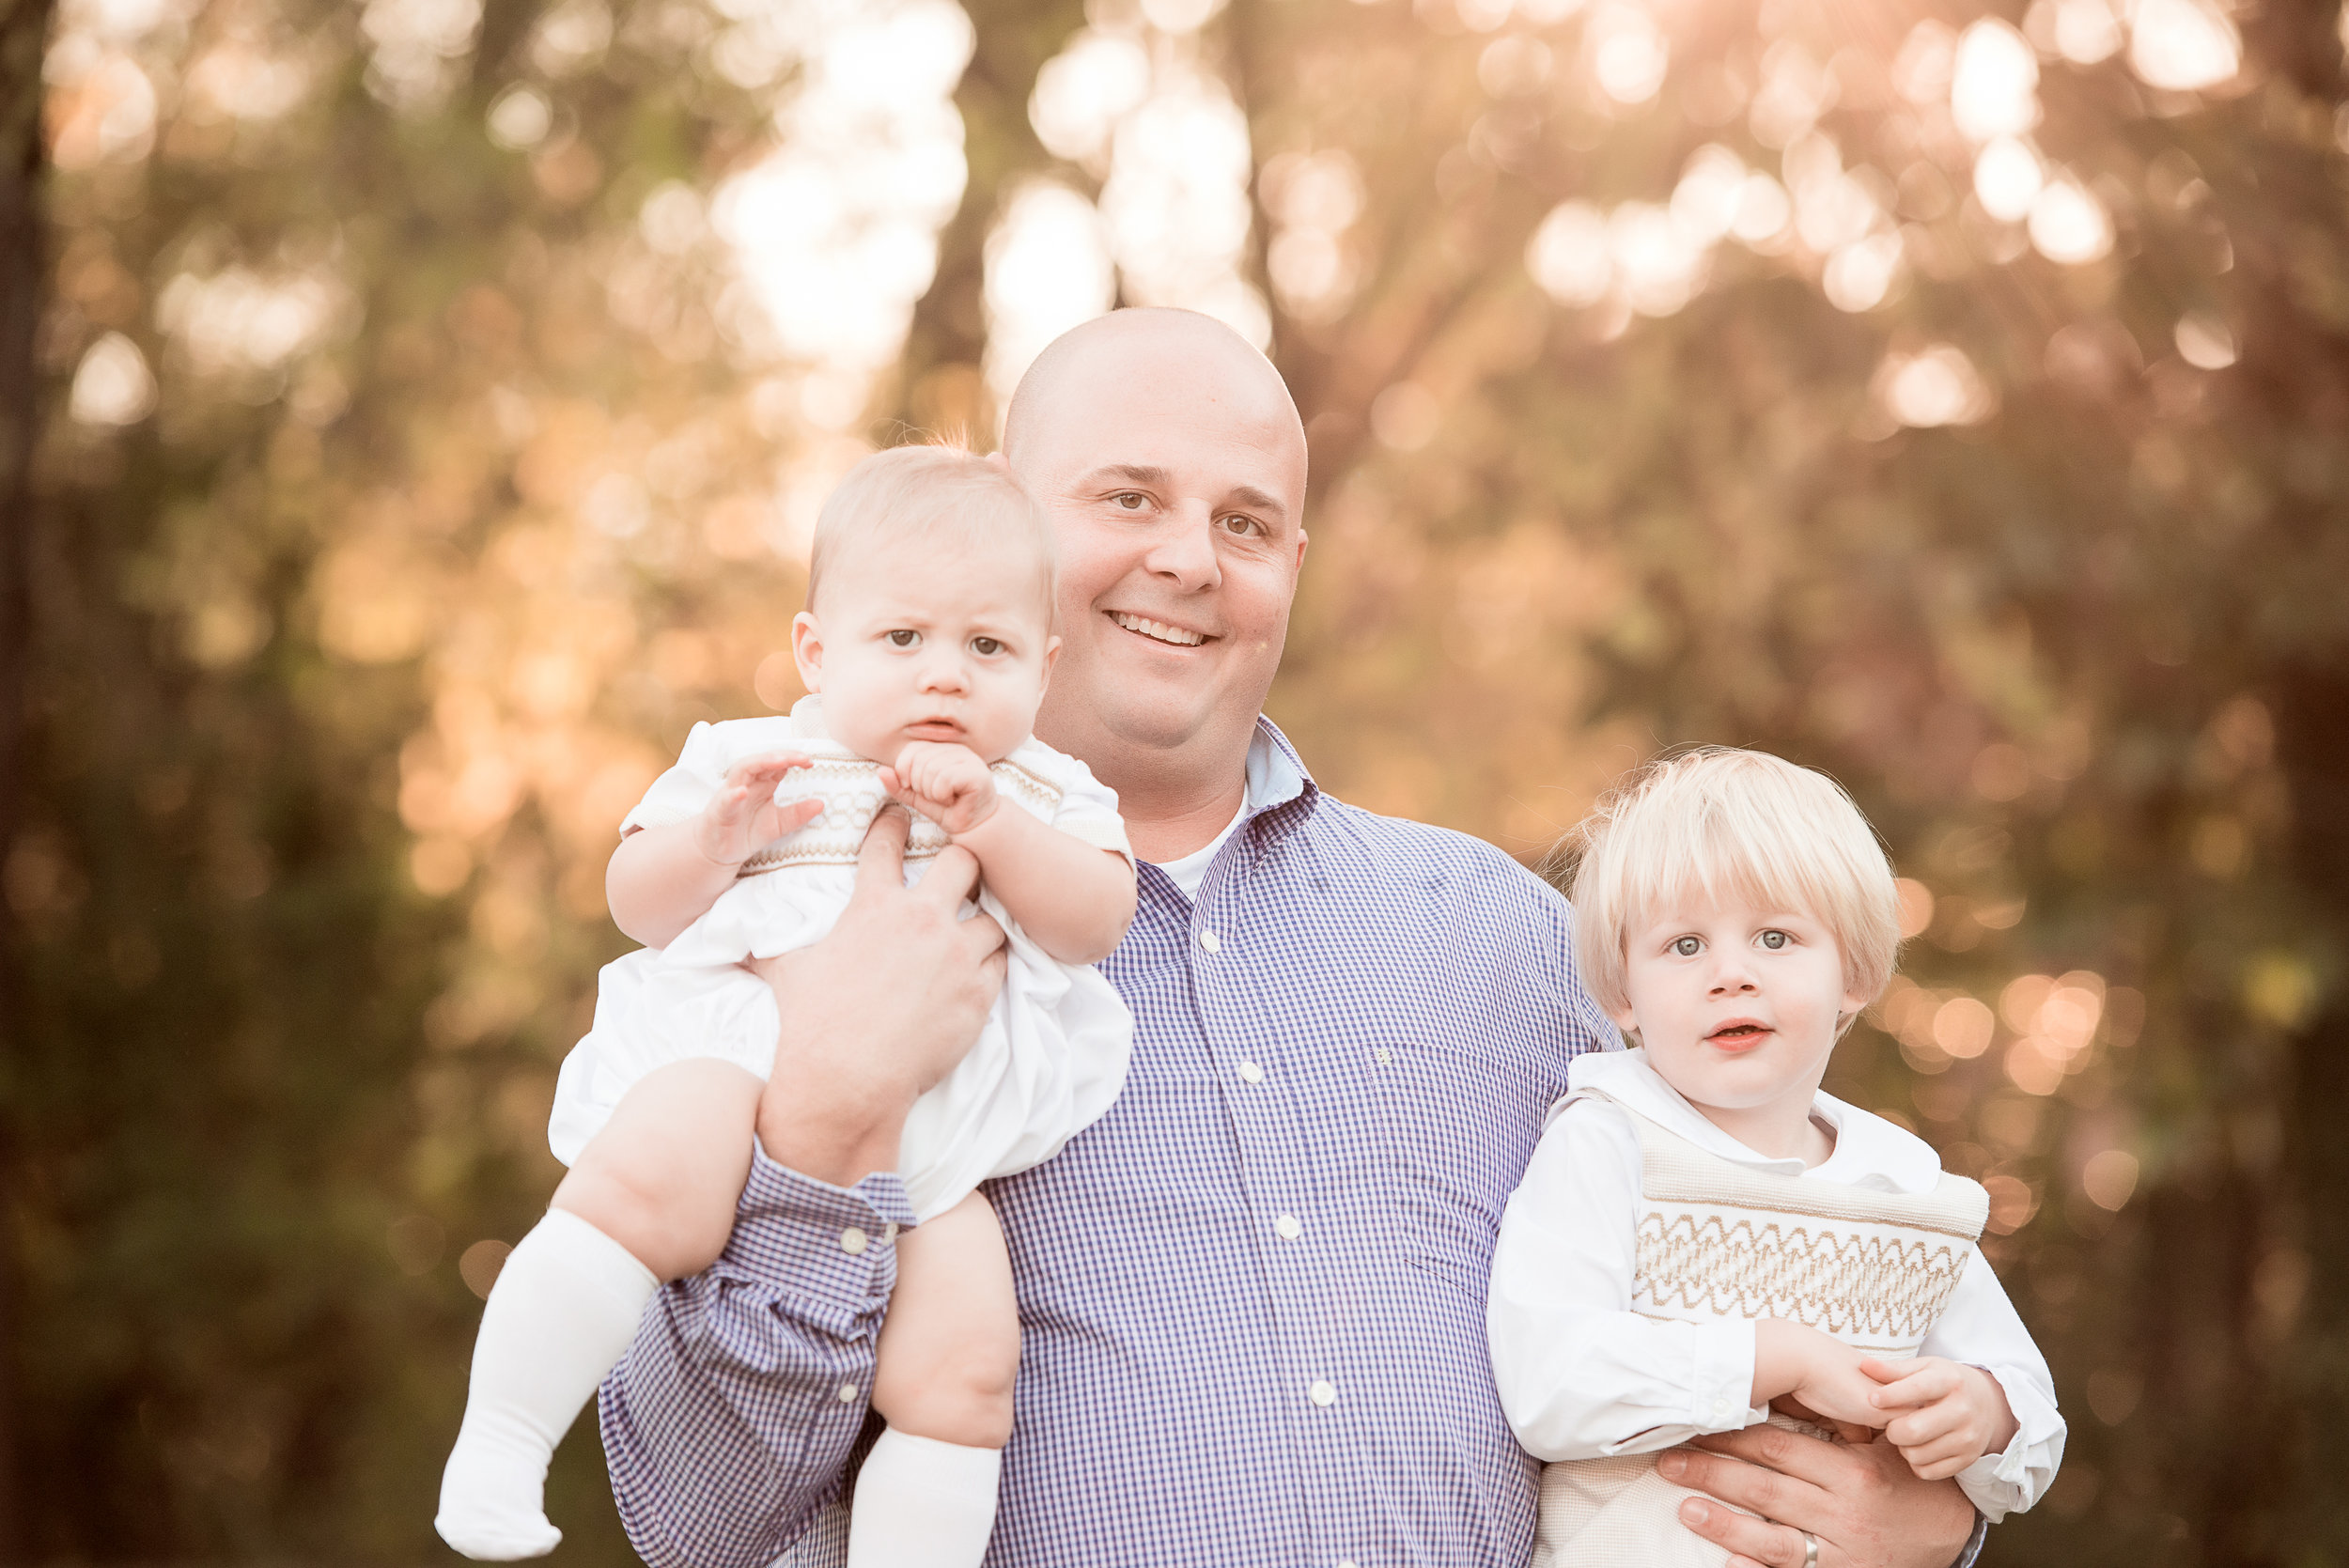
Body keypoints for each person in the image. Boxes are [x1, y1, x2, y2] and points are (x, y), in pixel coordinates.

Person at [597, 307, 1992, 1568]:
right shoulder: (787, 917)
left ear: (1294, 567)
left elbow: (1793, 1275)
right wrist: (832, 1108)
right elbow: (694, 1520)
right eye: (1128, 498)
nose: (1189, 560)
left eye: (1246, 523)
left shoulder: (1510, 943)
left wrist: (1925, 1512)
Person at [434, 447, 1138, 1564]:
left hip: (945, 1135)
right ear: (816, 649)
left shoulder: (1045, 791)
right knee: (641, 1183)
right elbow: (635, 901)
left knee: (967, 1362)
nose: (945, 675)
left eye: (987, 647)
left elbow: (1100, 915)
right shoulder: (756, 758)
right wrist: (713, 843)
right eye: (902, 639)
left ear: (1043, 670)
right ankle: (501, 1445)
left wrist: (995, 829)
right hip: (733, 1058)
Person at [1487, 749, 2064, 1567]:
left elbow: (2031, 1421)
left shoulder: (1901, 1188)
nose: (1731, 974)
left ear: (1854, 972)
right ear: (1623, 994)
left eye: (1775, 936)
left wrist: (1987, 1411)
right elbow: (1547, 1379)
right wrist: (1775, 1356)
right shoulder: (1608, 1140)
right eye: (1684, 945)